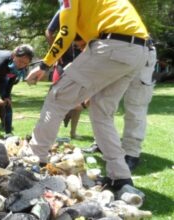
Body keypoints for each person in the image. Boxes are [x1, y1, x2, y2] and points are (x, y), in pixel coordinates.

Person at [25, 0, 153, 190]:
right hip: (140, 51)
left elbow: (66, 31)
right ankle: (120, 177)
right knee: (101, 112)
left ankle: (35, 161)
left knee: (57, 97)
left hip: (113, 45)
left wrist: (45, 64)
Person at [83, 40, 157, 171]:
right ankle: (102, 143)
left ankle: (131, 153)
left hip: (139, 50)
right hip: (114, 51)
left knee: (136, 105)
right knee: (102, 103)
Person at [45, 10, 86, 139]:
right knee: (57, 96)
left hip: (82, 63)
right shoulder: (64, 9)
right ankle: (51, 132)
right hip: (64, 62)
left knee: (79, 102)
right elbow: (48, 32)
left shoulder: (88, 12)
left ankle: (73, 132)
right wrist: (56, 54)